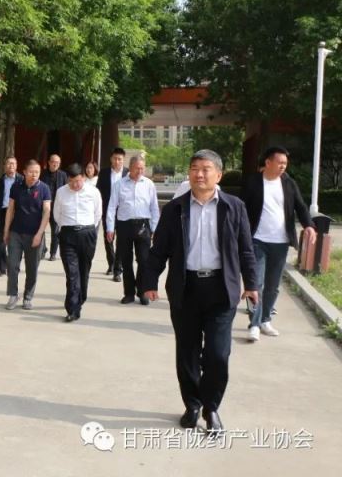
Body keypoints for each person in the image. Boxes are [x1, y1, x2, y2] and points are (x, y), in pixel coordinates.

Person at [141, 149, 258, 433]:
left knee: (218, 354)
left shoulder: (234, 207)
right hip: (186, 288)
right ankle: (192, 404)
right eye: (194, 168)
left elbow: (246, 249)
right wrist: (149, 282)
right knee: (188, 352)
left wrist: (252, 284)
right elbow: (159, 250)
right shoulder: (175, 209)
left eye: (206, 169)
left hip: (221, 289)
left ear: (218, 175)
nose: (199, 174)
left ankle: (211, 407)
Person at [241, 146, 316, 342]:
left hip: (280, 242)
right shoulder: (253, 182)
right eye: (280, 162)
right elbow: (241, 208)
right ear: (268, 162)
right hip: (256, 240)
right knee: (255, 283)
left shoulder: (289, 183)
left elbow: (300, 206)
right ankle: (254, 324)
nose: (283, 166)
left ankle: (265, 320)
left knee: (273, 286)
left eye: (285, 163)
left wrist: (309, 226)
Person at [106, 155, 160, 306]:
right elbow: (111, 207)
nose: (140, 171)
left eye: (142, 168)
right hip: (124, 225)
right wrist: (110, 228)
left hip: (143, 226)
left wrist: (154, 228)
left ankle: (142, 291)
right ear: (130, 168)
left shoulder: (148, 184)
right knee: (126, 260)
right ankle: (129, 293)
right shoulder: (119, 184)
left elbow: (154, 208)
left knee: (144, 260)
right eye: (137, 168)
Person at [54, 164, 103, 322]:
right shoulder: (61, 192)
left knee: (84, 270)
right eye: (71, 181)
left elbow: (98, 214)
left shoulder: (93, 192)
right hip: (67, 235)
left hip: (87, 233)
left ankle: (81, 298)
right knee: (72, 273)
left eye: (78, 181)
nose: (75, 185)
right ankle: (73, 309)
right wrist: (68, 227)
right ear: (67, 179)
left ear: (83, 177)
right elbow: (57, 215)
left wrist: (87, 228)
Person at [3, 159, 51, 310]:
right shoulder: (16, 187)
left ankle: (28, 297)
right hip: (16, 232)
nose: (34, 175)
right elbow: (10, 209)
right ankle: (13, 295)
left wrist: (39, 234)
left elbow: (46, 212)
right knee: (12, 265)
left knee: (32, 268)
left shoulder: (44, 188)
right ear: (24, 172)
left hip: (35, 234)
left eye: (37, 172)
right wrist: (6, 231)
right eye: (31, 172)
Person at [97, 147, 127, 281]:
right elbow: (98, 192)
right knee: (108, 238)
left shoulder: (128, 173)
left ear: (123, 160)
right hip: (107, 210)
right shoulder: (104, 173)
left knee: (121, 240)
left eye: (120, 159)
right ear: (111, 159)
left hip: (123, 212)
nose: (117, 161)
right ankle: (112, 263)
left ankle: (118, 269)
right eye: (115, 158)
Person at [0, 157, 22, 278]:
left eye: (13, 164)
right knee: (0, 242)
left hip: (17, 212)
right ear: (4, 166)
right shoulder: (1, 180)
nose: (11, 166)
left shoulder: (21, 180)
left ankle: (14, 267)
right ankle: (1, 268)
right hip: (3, 212)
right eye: (9, 164)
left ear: (16, 166)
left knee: (16, 242)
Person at [40, 153, 68, 261]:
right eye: (53, 162)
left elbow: (66, 191)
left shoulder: (63, 175)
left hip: (57, 207)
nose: (55, 164)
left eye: (57, 162)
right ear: (49, 162)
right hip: (44, 206)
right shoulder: (43, 174)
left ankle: (53, 253)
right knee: (41, 229)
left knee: (55, 231)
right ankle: (42, 250)